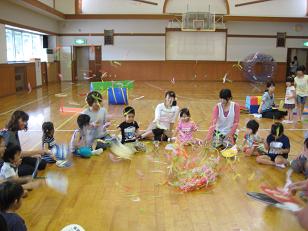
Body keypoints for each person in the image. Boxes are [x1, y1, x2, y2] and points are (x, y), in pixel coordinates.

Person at [0, 111, 46, 176]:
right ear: (15, 120)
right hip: (7, 164)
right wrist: (37, 152)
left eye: (26, 121)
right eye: (23, 120)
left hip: (16, 158)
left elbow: (18, 152)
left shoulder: (14, 131)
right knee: (32, 171)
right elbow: (16, 154)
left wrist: (31, 155)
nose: (25, 123)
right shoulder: (9, 134)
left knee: (42, 163)